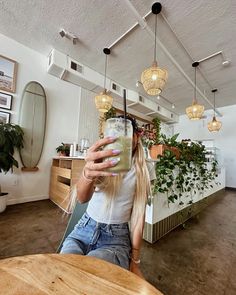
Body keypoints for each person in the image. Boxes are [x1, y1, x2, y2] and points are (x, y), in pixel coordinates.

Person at [60, 116, 156, 278]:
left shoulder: (145, 168)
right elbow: (82, 199)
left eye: (125, 132)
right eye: (115, 133)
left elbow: (139, 215)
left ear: (136, 136)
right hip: (83, 229)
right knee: (66, 272)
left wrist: (135, 261)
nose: (120, 138)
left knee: (92, 276)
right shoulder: (101, 159)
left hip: (116, 239)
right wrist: (87, 174)